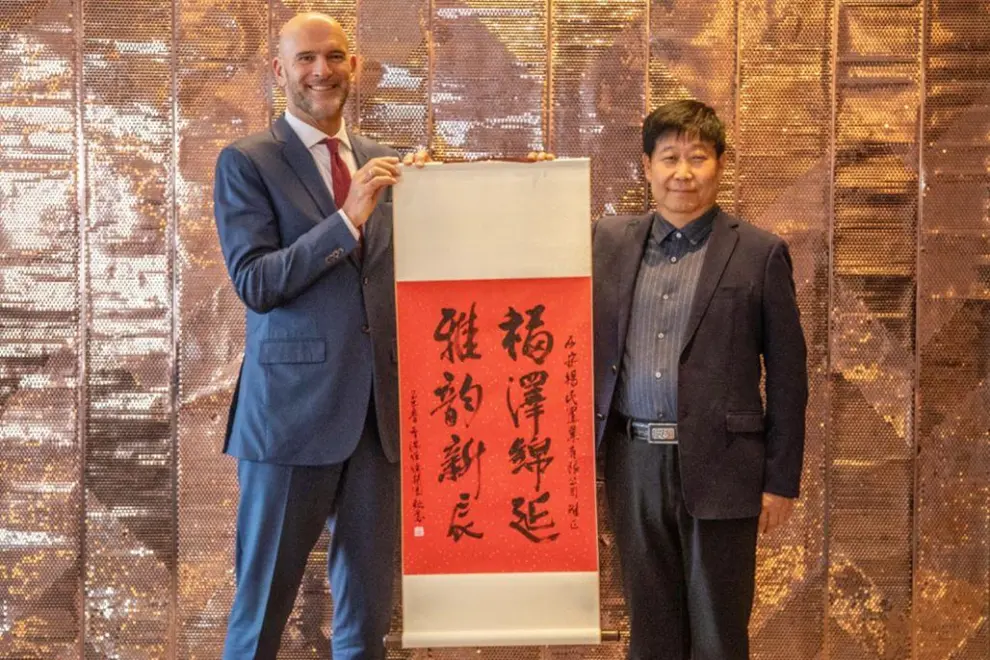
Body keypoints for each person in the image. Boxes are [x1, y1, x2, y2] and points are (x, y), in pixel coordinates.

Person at [212, 12, 426, 659]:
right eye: (305, 59)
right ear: (279, 71)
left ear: (354, 67)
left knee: (366, 624)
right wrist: (346, 219)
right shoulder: (247, 162)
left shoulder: (380, 165)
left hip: (375, 423)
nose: (321, 71)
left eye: (334, 57)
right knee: (260, 620)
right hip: (287, 420)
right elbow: (256, 281)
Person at [592, 99, 808, 659]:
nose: (682, 173)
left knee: (718, 633)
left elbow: (788, 375)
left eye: (697, 157)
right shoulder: (608, 243)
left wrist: (781, 480)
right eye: (668, 158)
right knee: (650, 628)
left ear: (720, 164)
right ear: (646, 166)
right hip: (633, 462)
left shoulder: (760, 253)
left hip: (725, 465)